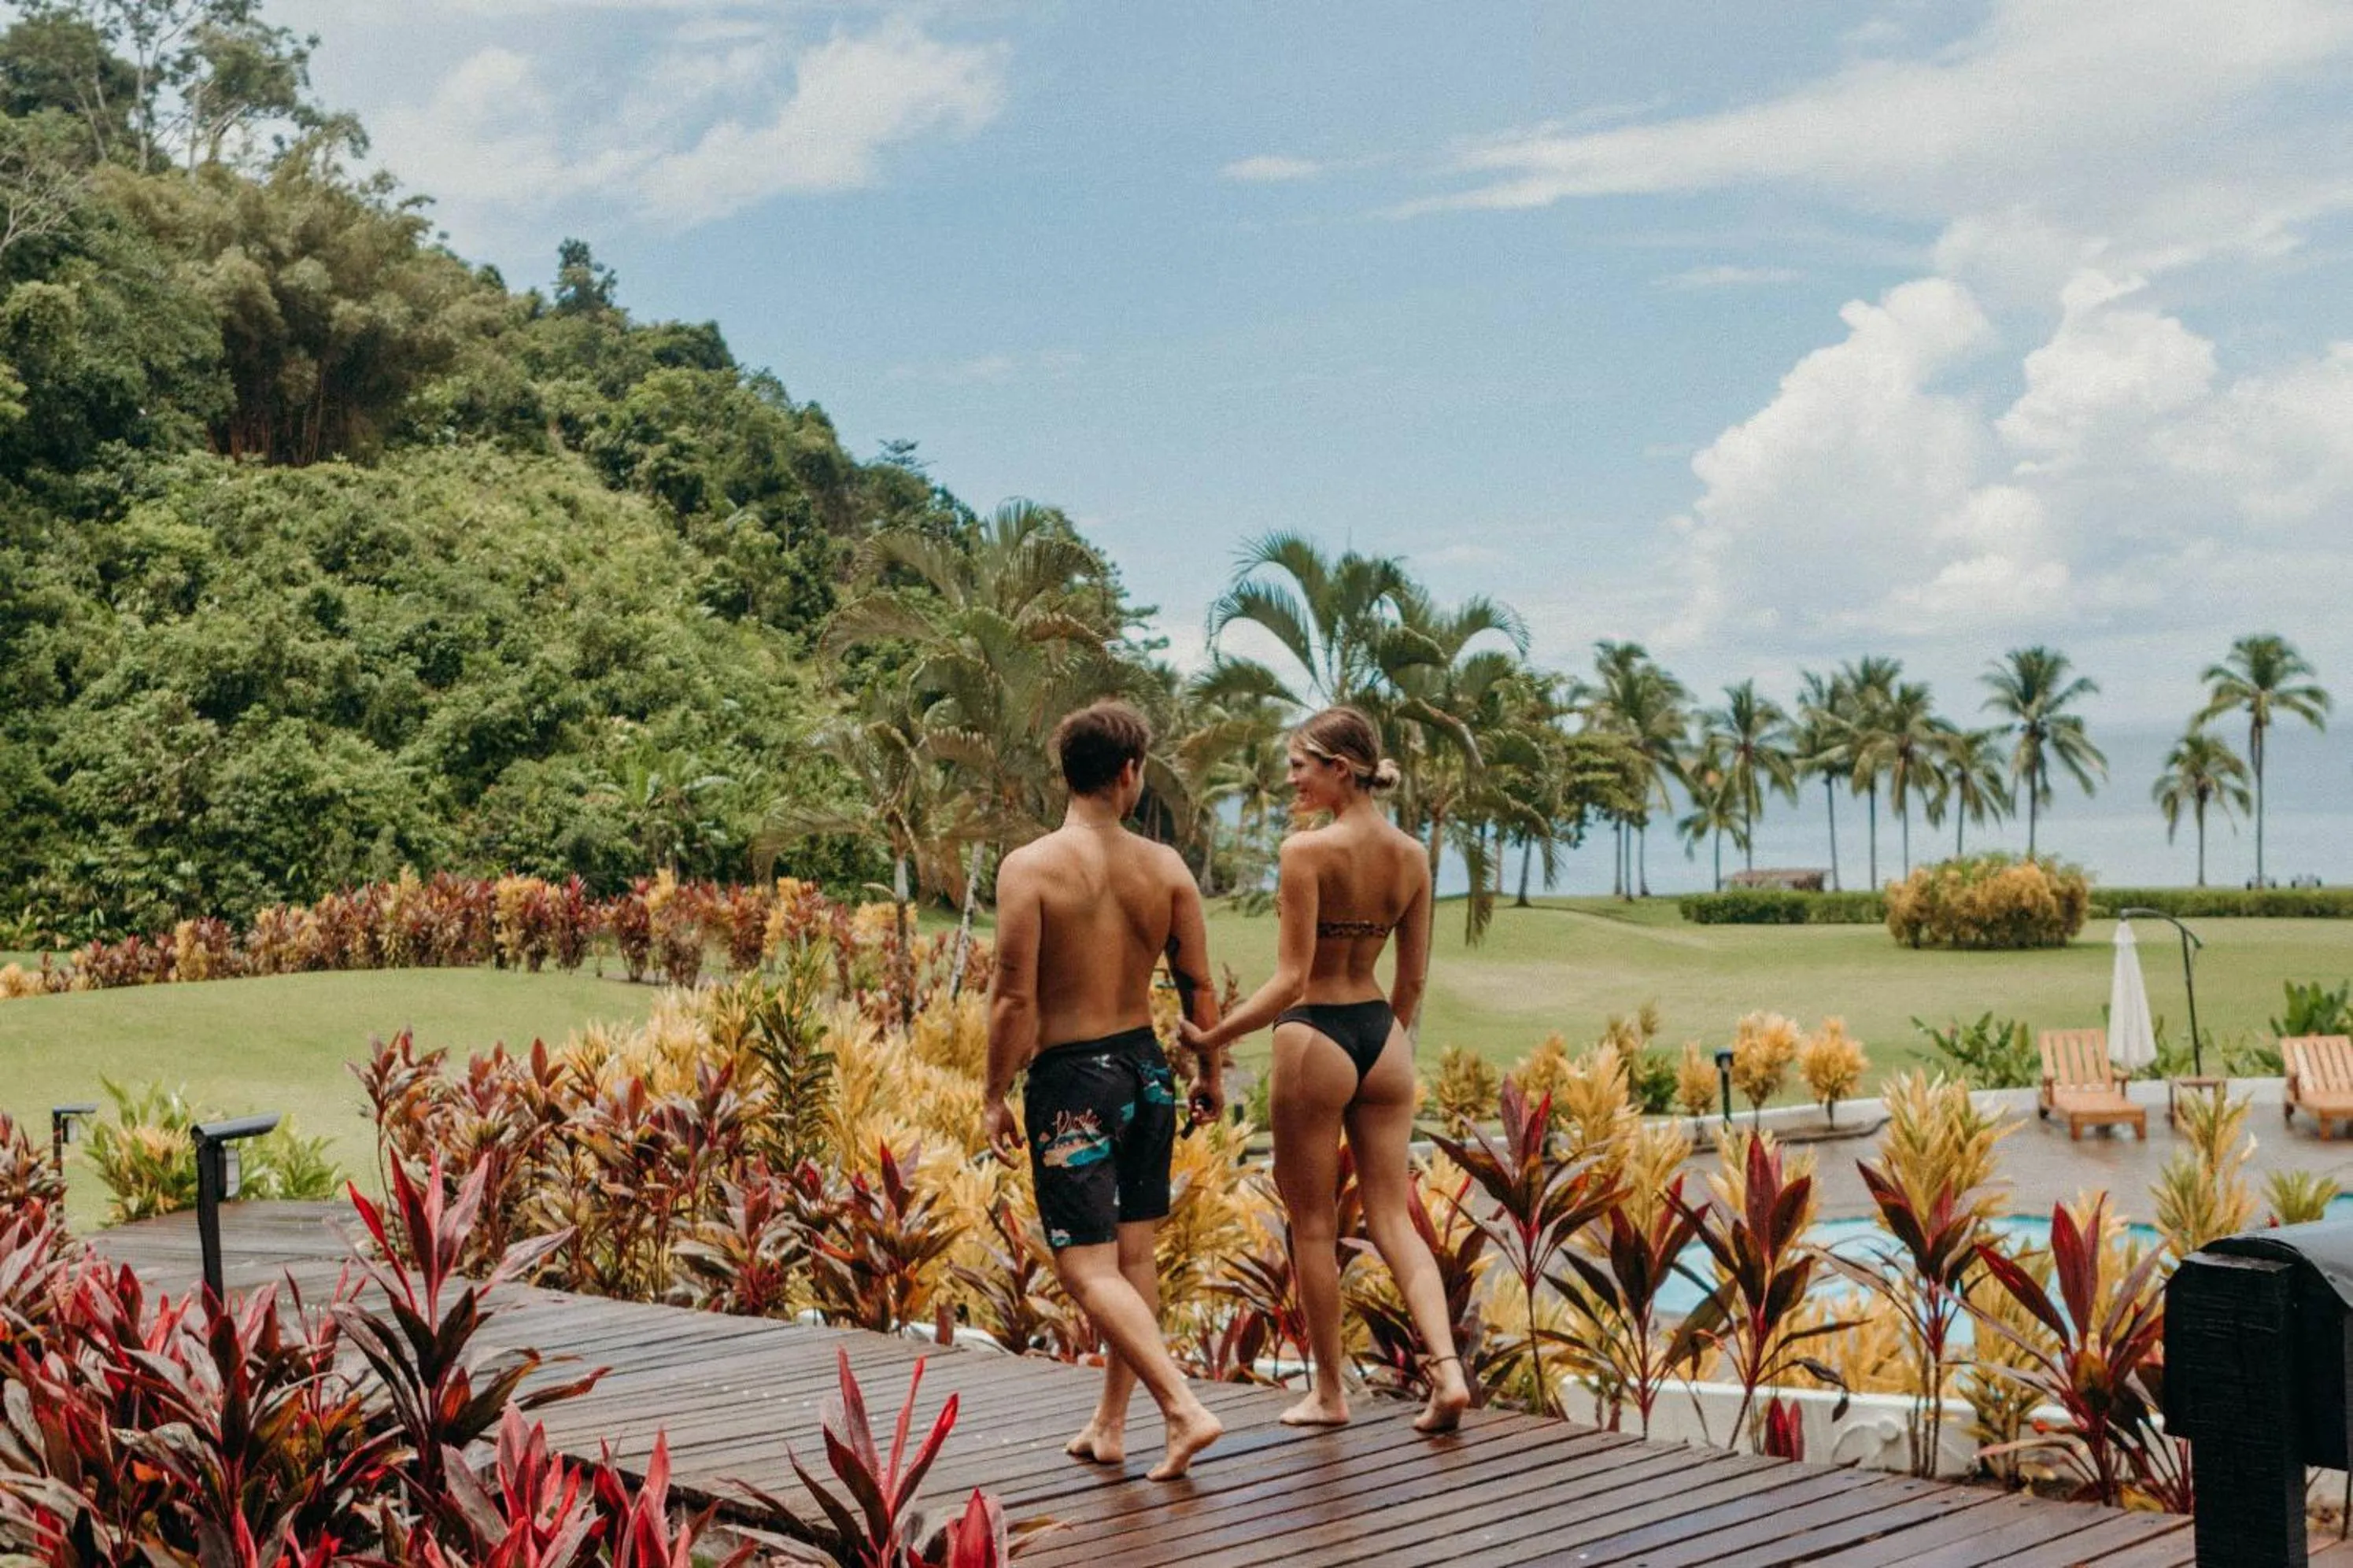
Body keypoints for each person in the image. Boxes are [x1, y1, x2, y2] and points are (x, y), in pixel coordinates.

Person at [1179, 706, 1472, 1435]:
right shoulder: (1412, 855)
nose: (1291, 779)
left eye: (1300, 765)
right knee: (1395, 1219)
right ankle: (1449, 1373)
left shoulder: (1305, 853)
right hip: (1382, 1036)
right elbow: (1412, 980)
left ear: (1341, 768)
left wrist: (1215, 1033)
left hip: (1315, 1034)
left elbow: (1289, 980)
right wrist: (1387, 1047)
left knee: (1312, 1225)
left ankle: (1330, 1393)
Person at [984, 698, 1228, 1480]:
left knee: (1086, 1269)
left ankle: (1182, 1410)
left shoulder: (1030, 868)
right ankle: (1110, 1425)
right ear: (1129, 773)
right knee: (1131, 1255)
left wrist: (992, 1092)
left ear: (1069, 772)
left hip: (1072, 1080)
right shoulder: (1164, 868)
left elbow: (1013, 998)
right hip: (1145, 1071)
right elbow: (1197, 987)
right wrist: (1209, 1073)